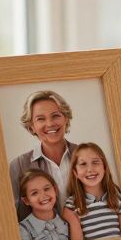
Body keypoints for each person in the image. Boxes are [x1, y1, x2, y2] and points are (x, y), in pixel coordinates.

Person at [8, 90, 79, 221]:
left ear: (66, 118)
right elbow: (13, 217)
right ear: (31, 127)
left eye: (55, 116)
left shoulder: (86, 156)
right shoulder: (18, 166)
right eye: (40, 119)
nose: (50, 123)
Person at [61, 143, 121, 240]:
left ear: (104, 168)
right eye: (83, 164)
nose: (90, 169)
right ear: (75, 172)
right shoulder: (72, 205)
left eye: (95, 162)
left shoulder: (117, 198)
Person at [17, 170, 71, 240]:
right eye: (34, 193)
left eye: (46, 189)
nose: (43, 196)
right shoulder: (23, 229)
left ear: (55, 190)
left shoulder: (67, 221)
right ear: (26, 200)